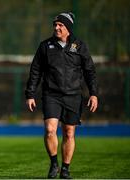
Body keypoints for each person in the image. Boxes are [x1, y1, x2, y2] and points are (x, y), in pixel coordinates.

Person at [25, 12, 98, 179]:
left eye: (61, 25)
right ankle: (54, 164)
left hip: (73, 96)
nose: (56, 28)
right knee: (50, 130)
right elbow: (35, 71)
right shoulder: (45, 46)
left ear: (68, 28)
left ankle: (65, 168)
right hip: (51, 95)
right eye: (55, 25)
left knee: (69, 133)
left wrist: (93, 94)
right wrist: (30, 94)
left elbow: (90, 71)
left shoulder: (80, 46)